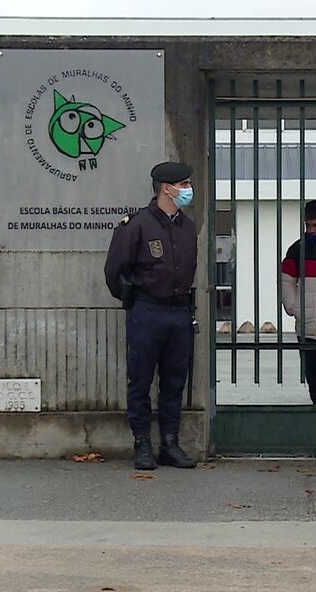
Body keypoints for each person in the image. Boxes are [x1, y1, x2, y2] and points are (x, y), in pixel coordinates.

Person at [104, 161, 198, 470]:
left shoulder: (187, 226)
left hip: (179, 312)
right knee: (141, 379)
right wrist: (135, 300)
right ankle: (142, 443)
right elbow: (114, 271)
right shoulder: (137, 225)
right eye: (183, 184)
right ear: (166, 188)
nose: (188, 189)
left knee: (174, 381)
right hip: (148, 311)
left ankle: (170, 442)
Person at [280, 200, 316, 406]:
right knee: (314, 382)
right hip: (306, 328)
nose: (311, 230)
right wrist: (293, 308)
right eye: (308, 226)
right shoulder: (297, 249)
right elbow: (286, 280)